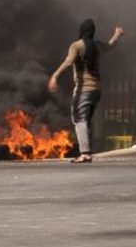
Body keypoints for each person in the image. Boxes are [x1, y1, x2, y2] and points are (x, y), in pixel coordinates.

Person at [49, 19, 125, 161]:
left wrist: (54, 76)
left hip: (84, 89)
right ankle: (87, 151)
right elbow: (110, 46)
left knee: (79, 120)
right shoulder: (96, 46)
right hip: (96, 90)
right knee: (86, 120)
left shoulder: (76, 46)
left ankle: (85, 153)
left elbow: (68, 62)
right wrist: (117, 34)